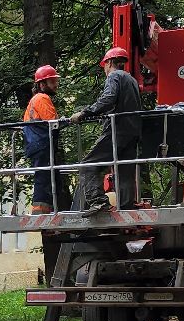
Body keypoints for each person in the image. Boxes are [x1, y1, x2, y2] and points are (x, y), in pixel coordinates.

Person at [67, 47, 146, 213]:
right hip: (132, 132)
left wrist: (84, 113)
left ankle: (98, 202)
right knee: (124, 171)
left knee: (88, 165)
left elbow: (108, 99)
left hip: (116, 130)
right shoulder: (131, 79)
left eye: (104, 65)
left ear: (109, 63)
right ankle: (126, 208)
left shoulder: (114, 76)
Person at [22, 65, 69, 213]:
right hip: (41, 143)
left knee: (50, 175)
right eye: (52, 81)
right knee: (44, 175)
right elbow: (52, 122)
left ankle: (48, 207)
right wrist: (68, 121)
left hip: (37, 143)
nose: (56, 84)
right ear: (42, 84)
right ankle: (40, 208)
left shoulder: (35, 99)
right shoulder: (42, 98)